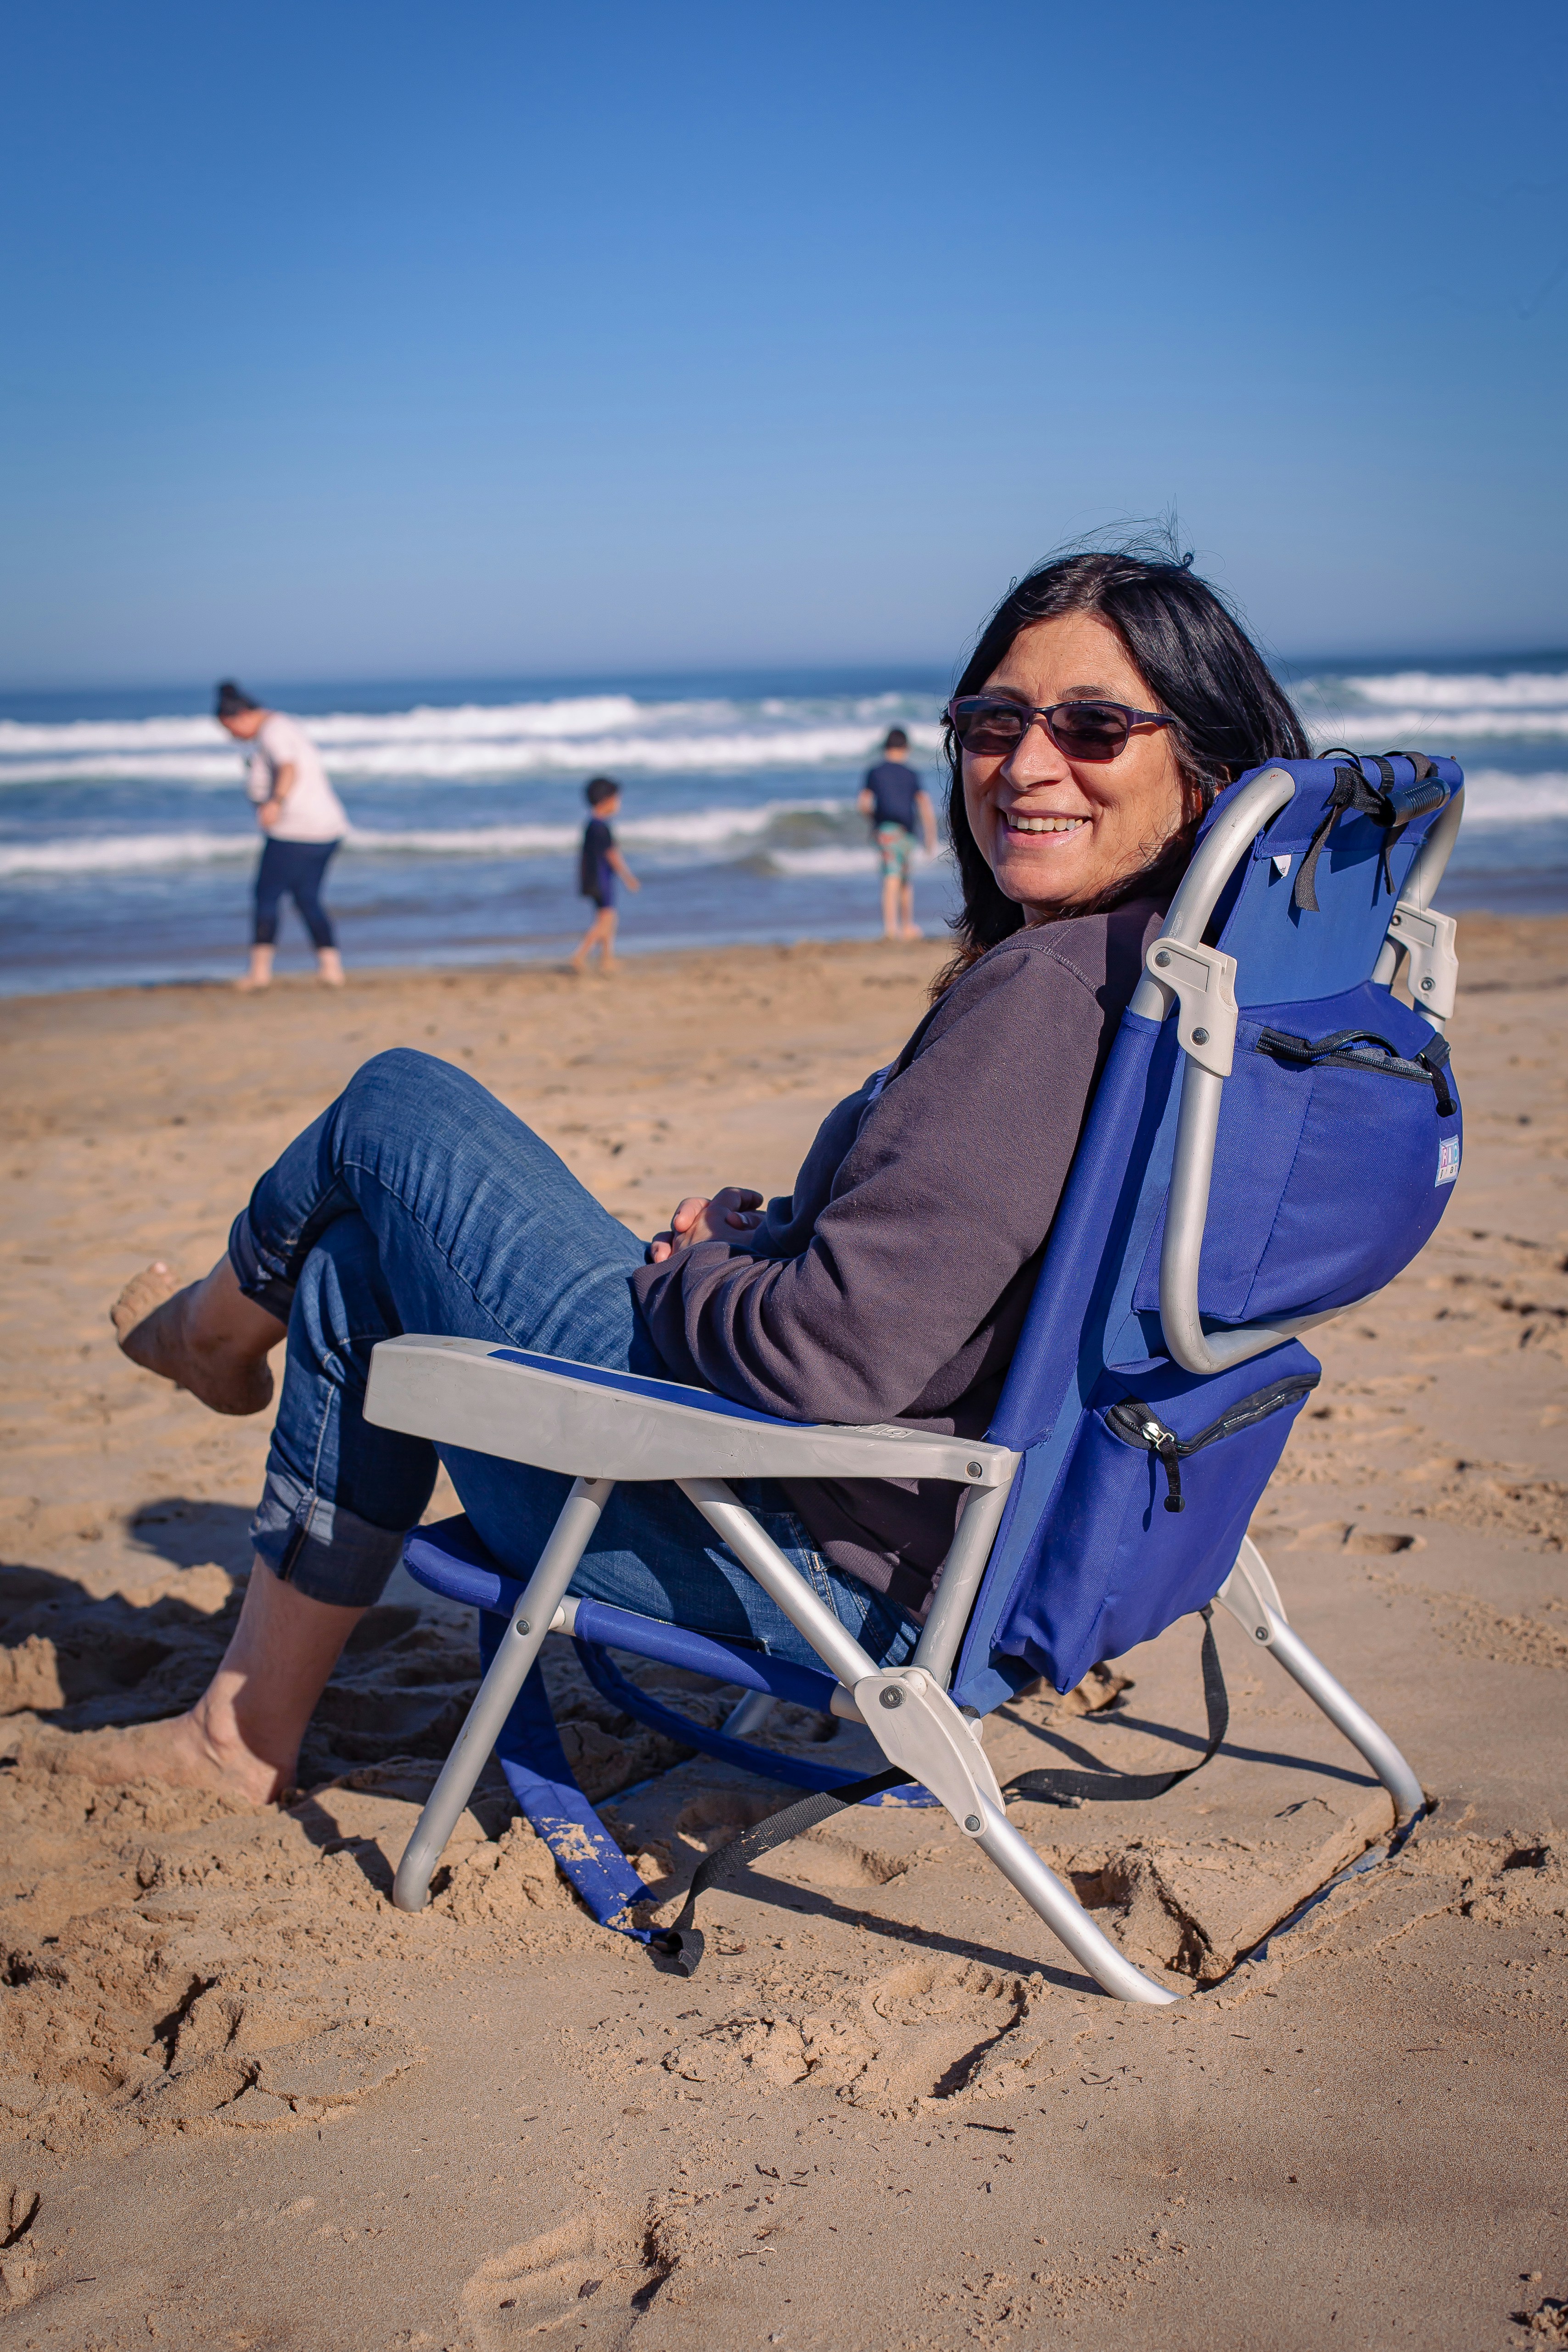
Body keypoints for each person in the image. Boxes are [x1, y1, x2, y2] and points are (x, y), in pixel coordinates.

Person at [92, 549, 1309, 1805]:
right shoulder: (1198, 993)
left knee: (398, 1105)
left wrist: (702, 1267)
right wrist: (784, 1233)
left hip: (794, 1553)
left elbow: (833, 1359)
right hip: (954, 1533)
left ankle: (214, 1325)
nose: (1028, 763)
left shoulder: (1052, 1000)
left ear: (1202, 760)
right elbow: (971, 1262)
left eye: (1096, 726)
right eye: (994, 721)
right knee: (354, 1259)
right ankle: (242, 1734)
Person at [216, 682, 350, 991]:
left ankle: (260, 972)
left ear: (241, 717)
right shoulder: (284, 727)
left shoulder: (273, 732)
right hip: (327, 828)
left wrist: (275, 802)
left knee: (266, 896)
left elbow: (289, 768)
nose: (231, 736)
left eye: (229, 728)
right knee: (308, 899)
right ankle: (331, 968)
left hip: (295, 830)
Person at [857, 727, 938, 940]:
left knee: (891, 878)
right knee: (904, 880)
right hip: (907, 833)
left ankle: (890, 928)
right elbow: (924, 806)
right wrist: (930, 836)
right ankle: (907, 926)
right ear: (906, 749)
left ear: (885, 747)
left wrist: (875, 821)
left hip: (886, 830)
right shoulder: (911, 774)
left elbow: (864, 804)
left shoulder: (874, 772)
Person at [571, 775, 640, 973]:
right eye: (617, 799)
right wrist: (628, 877)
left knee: (607, 918)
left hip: (594, 878)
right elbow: (612, 854)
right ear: (606, 801)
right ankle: (580, 955)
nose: (619, 804)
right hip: (602, 879)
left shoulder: (591, 825)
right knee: (607, 920)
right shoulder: (601, 827)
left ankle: (607, 958)